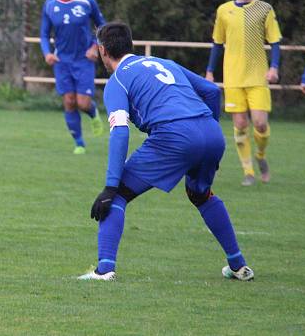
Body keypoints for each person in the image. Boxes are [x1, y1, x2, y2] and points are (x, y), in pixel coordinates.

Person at [78, 22, 253, 281]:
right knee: (200, 194)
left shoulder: (117, 81)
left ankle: (104, 270)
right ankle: (238, 265)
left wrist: (110, 185)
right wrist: (207, 131)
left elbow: (120, 132)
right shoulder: (164, 63)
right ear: (131, 45)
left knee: (116, 198)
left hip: (175, 136)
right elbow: (211, 91)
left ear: (102, 50)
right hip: (211, 132)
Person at [206, 0, 282, 186]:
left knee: (259, 123)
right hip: (233, 78)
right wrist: (210, 71)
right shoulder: (223, 11)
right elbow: (217, 43)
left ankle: (260, 155)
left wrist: (274, 67)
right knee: (240, 125)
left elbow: (275, 41)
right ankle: (248, 171)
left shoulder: (265, 9)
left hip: (258, 76)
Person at [39, 0, 106, 154]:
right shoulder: (49, 5)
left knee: (82, 103)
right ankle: (79, 143)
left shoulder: (86, 2)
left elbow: (103, 27)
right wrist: (47, 53)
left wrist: (95, 48)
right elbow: (44, 34)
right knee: (69, 101)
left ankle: (93, 113)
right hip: (62, 61)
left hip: (83, 60)